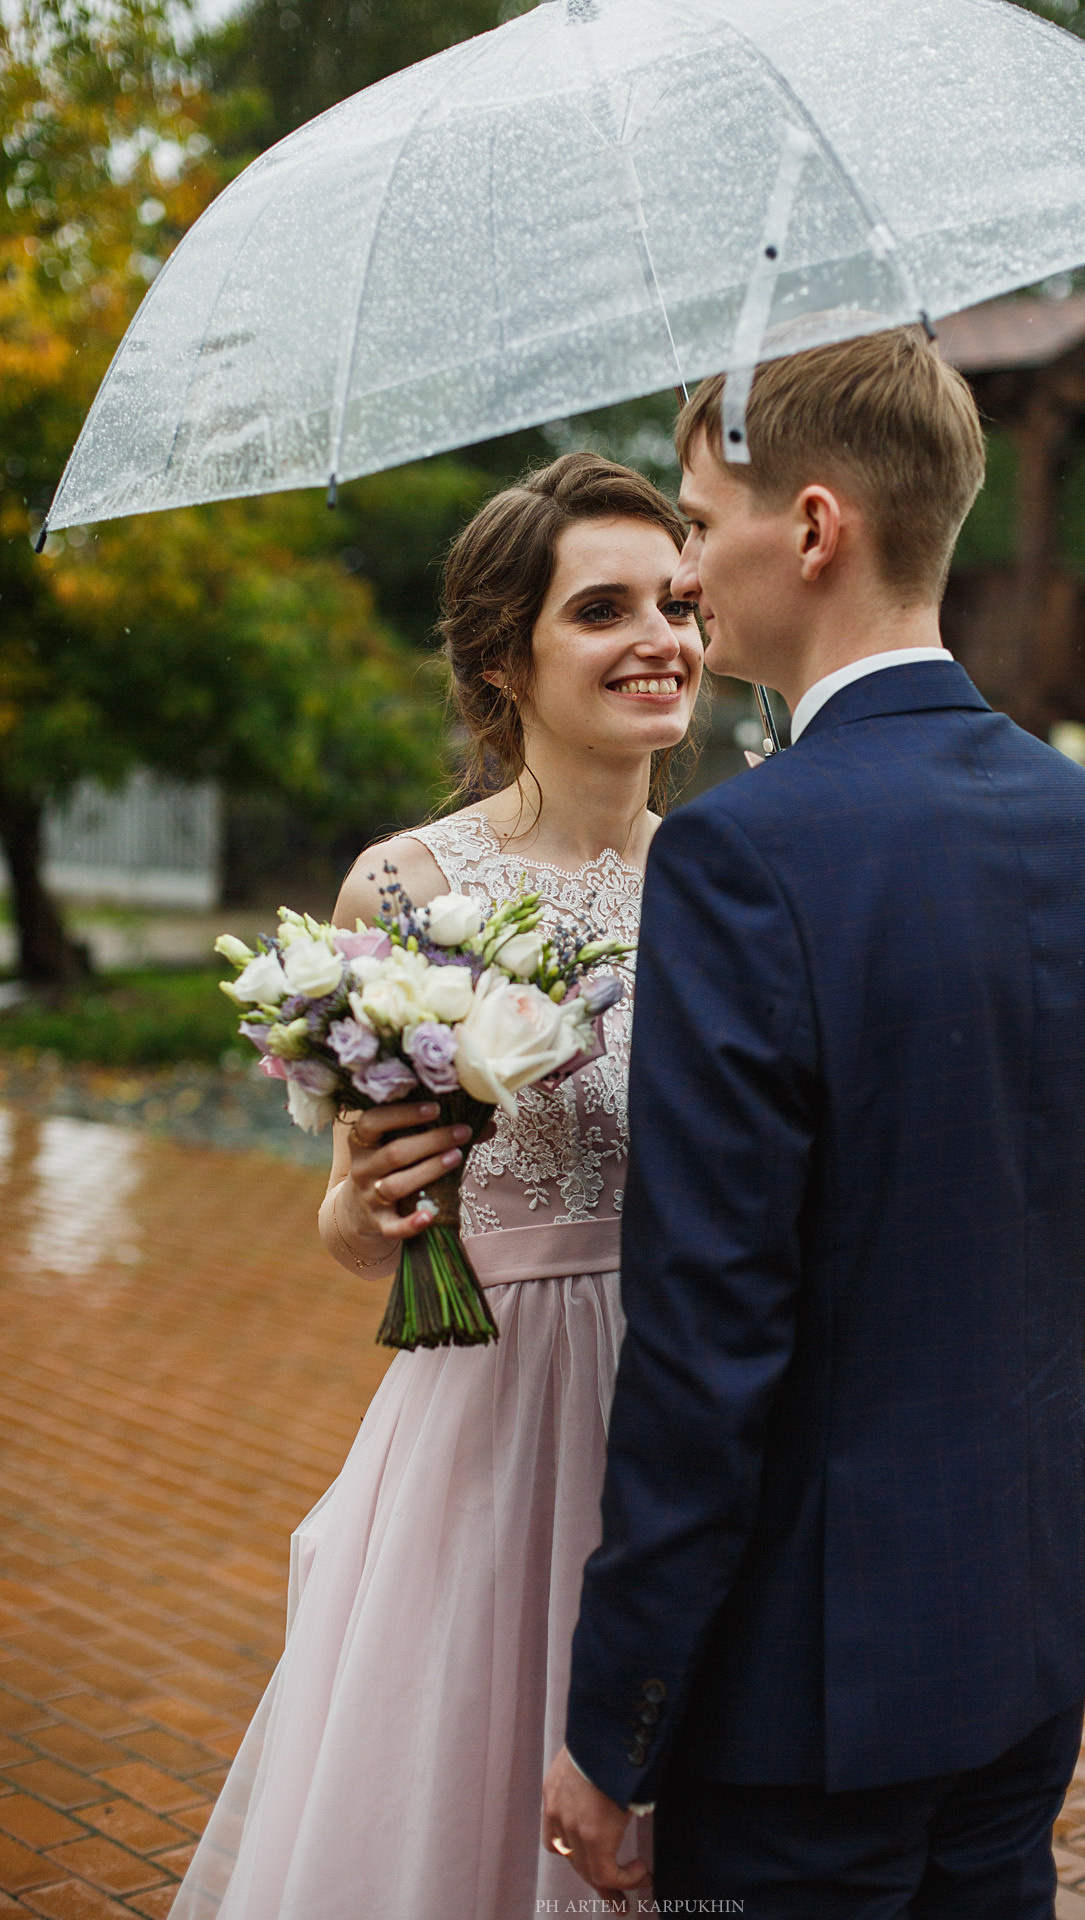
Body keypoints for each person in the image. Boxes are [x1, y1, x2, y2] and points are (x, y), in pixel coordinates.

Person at [542, 326, 1085, 1915]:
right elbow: (1054, 1189)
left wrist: (619, 1726)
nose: (683, 569)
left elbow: (709, 1337)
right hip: (1027, 1625)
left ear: (812, 528)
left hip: (814, 1682)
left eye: (694, 521)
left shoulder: (744, 856)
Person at [169, 452, 703, 1920]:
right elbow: (349, 1222)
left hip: (689, 1415)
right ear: (500, 660)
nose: (663, 636)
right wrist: (370, 1213)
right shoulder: (405, 893)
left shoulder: (731, 877)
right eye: (604, 608)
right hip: (496, 1411)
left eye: (680, 599)